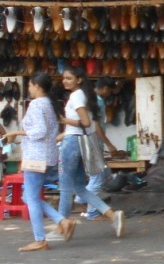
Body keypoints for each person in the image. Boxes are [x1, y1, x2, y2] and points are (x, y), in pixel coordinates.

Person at [4, 72, 75, 251]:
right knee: (29, 196)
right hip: (48, 155)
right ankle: (62, 221)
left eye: (30, 85)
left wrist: (16, 133)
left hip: (36, 157)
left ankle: (40, 239)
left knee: (32, 199)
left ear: (37, 85)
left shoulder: (36, 104)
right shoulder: (50, 104)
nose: (28, 88)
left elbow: (39, 132)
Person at [57, 66, 124, 238]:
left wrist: (65, 120)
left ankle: (62, 226)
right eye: (64, 78)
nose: (65, 81)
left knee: (65, 187)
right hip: (82, 142)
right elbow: (91, 124)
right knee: (79, 187)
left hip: (72, 143)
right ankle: (111, 215)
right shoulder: (88, 95)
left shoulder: (76, 95)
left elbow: (85, 122)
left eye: (69, 78)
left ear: (79, 80)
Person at [78, 77, 127, 220]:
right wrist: (110, 145)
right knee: (97, 178)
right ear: (105, 89)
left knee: (105, 173)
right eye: (110, 91)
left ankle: (82, 200)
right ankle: (92, 211)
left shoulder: (91, 97)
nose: (110, 94)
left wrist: (120, 84)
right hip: (93, 141)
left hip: (91, 141)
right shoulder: (97, 101)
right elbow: (96, 126)